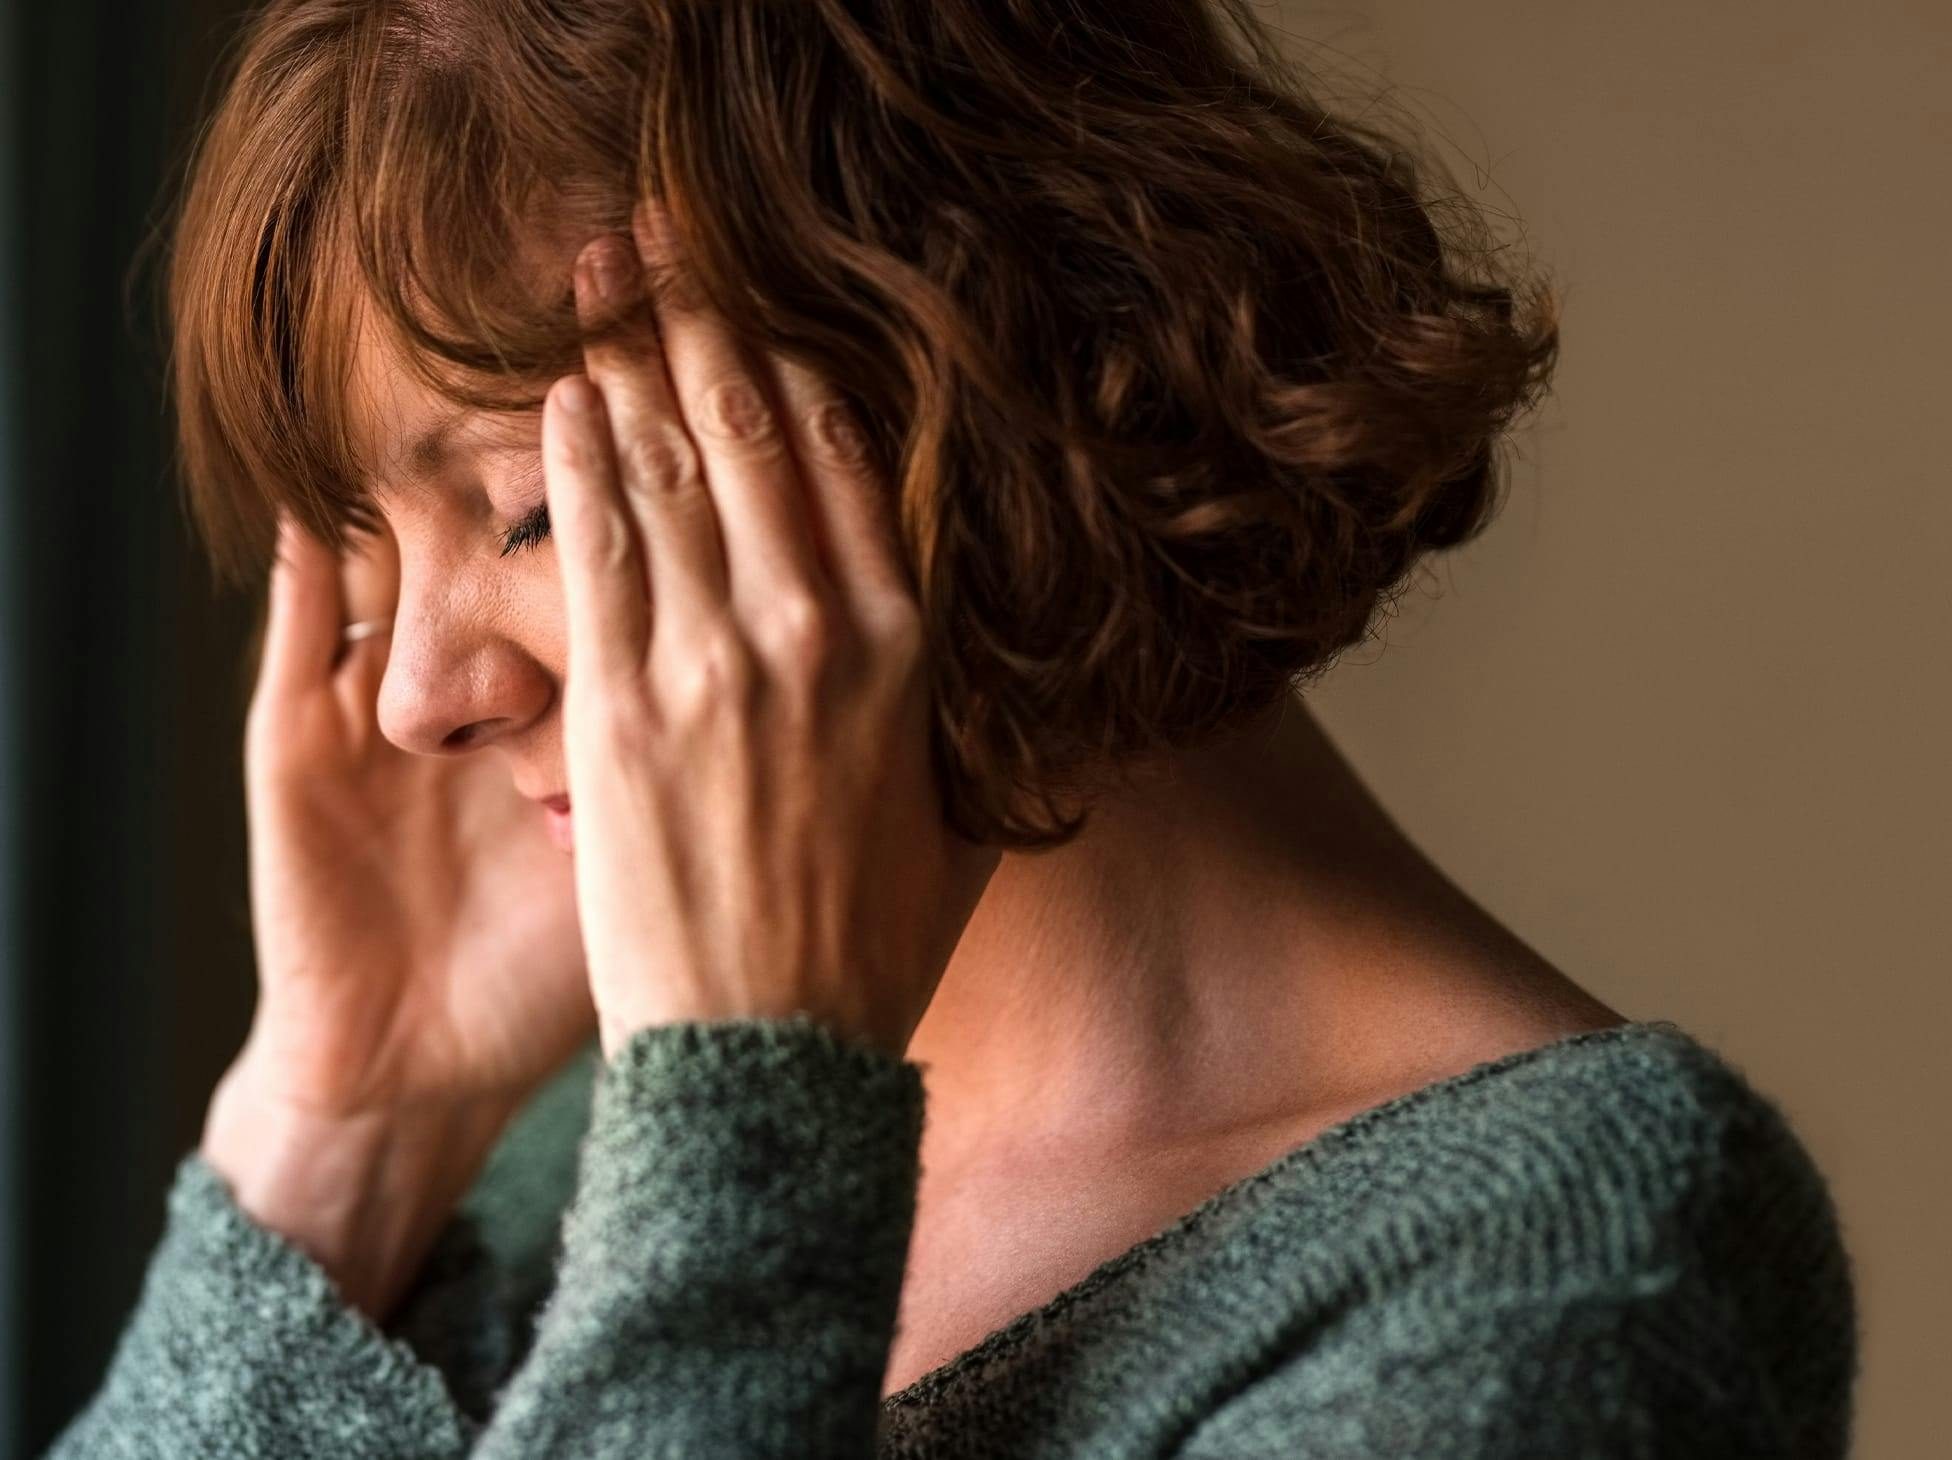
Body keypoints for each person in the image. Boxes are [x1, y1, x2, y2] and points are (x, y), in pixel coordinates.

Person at [50, 1, 1857, 1456]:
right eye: (369, 560)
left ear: (969, 384)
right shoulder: (559, 1181)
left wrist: (740, 1153)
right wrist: (339, 1138)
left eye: (527, 508)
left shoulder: (1554, 1264)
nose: (415, 697)